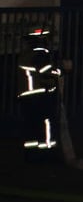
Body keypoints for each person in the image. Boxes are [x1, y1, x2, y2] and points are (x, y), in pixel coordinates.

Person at [17, 26, 62, 157]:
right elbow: (46, 71)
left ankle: (31, 154)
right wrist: (61, 71)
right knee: (46, 123)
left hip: (26, 96)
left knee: (31, 125)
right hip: (40, 96)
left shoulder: (25, 54)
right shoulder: (40, 54)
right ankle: (47, 152)